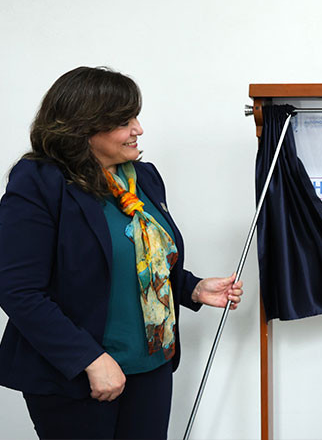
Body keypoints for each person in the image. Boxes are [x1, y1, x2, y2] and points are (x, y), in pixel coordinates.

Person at [0, 66, 244, 439]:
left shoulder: (142, 177)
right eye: (123, 121)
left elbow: (140, 261)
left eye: (136, 117)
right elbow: (17, 289)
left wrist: (191, 288)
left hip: (151, 367)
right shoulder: (39, 182)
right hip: (78, 375)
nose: (138, 129)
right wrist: (89, 359)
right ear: (82, 127)